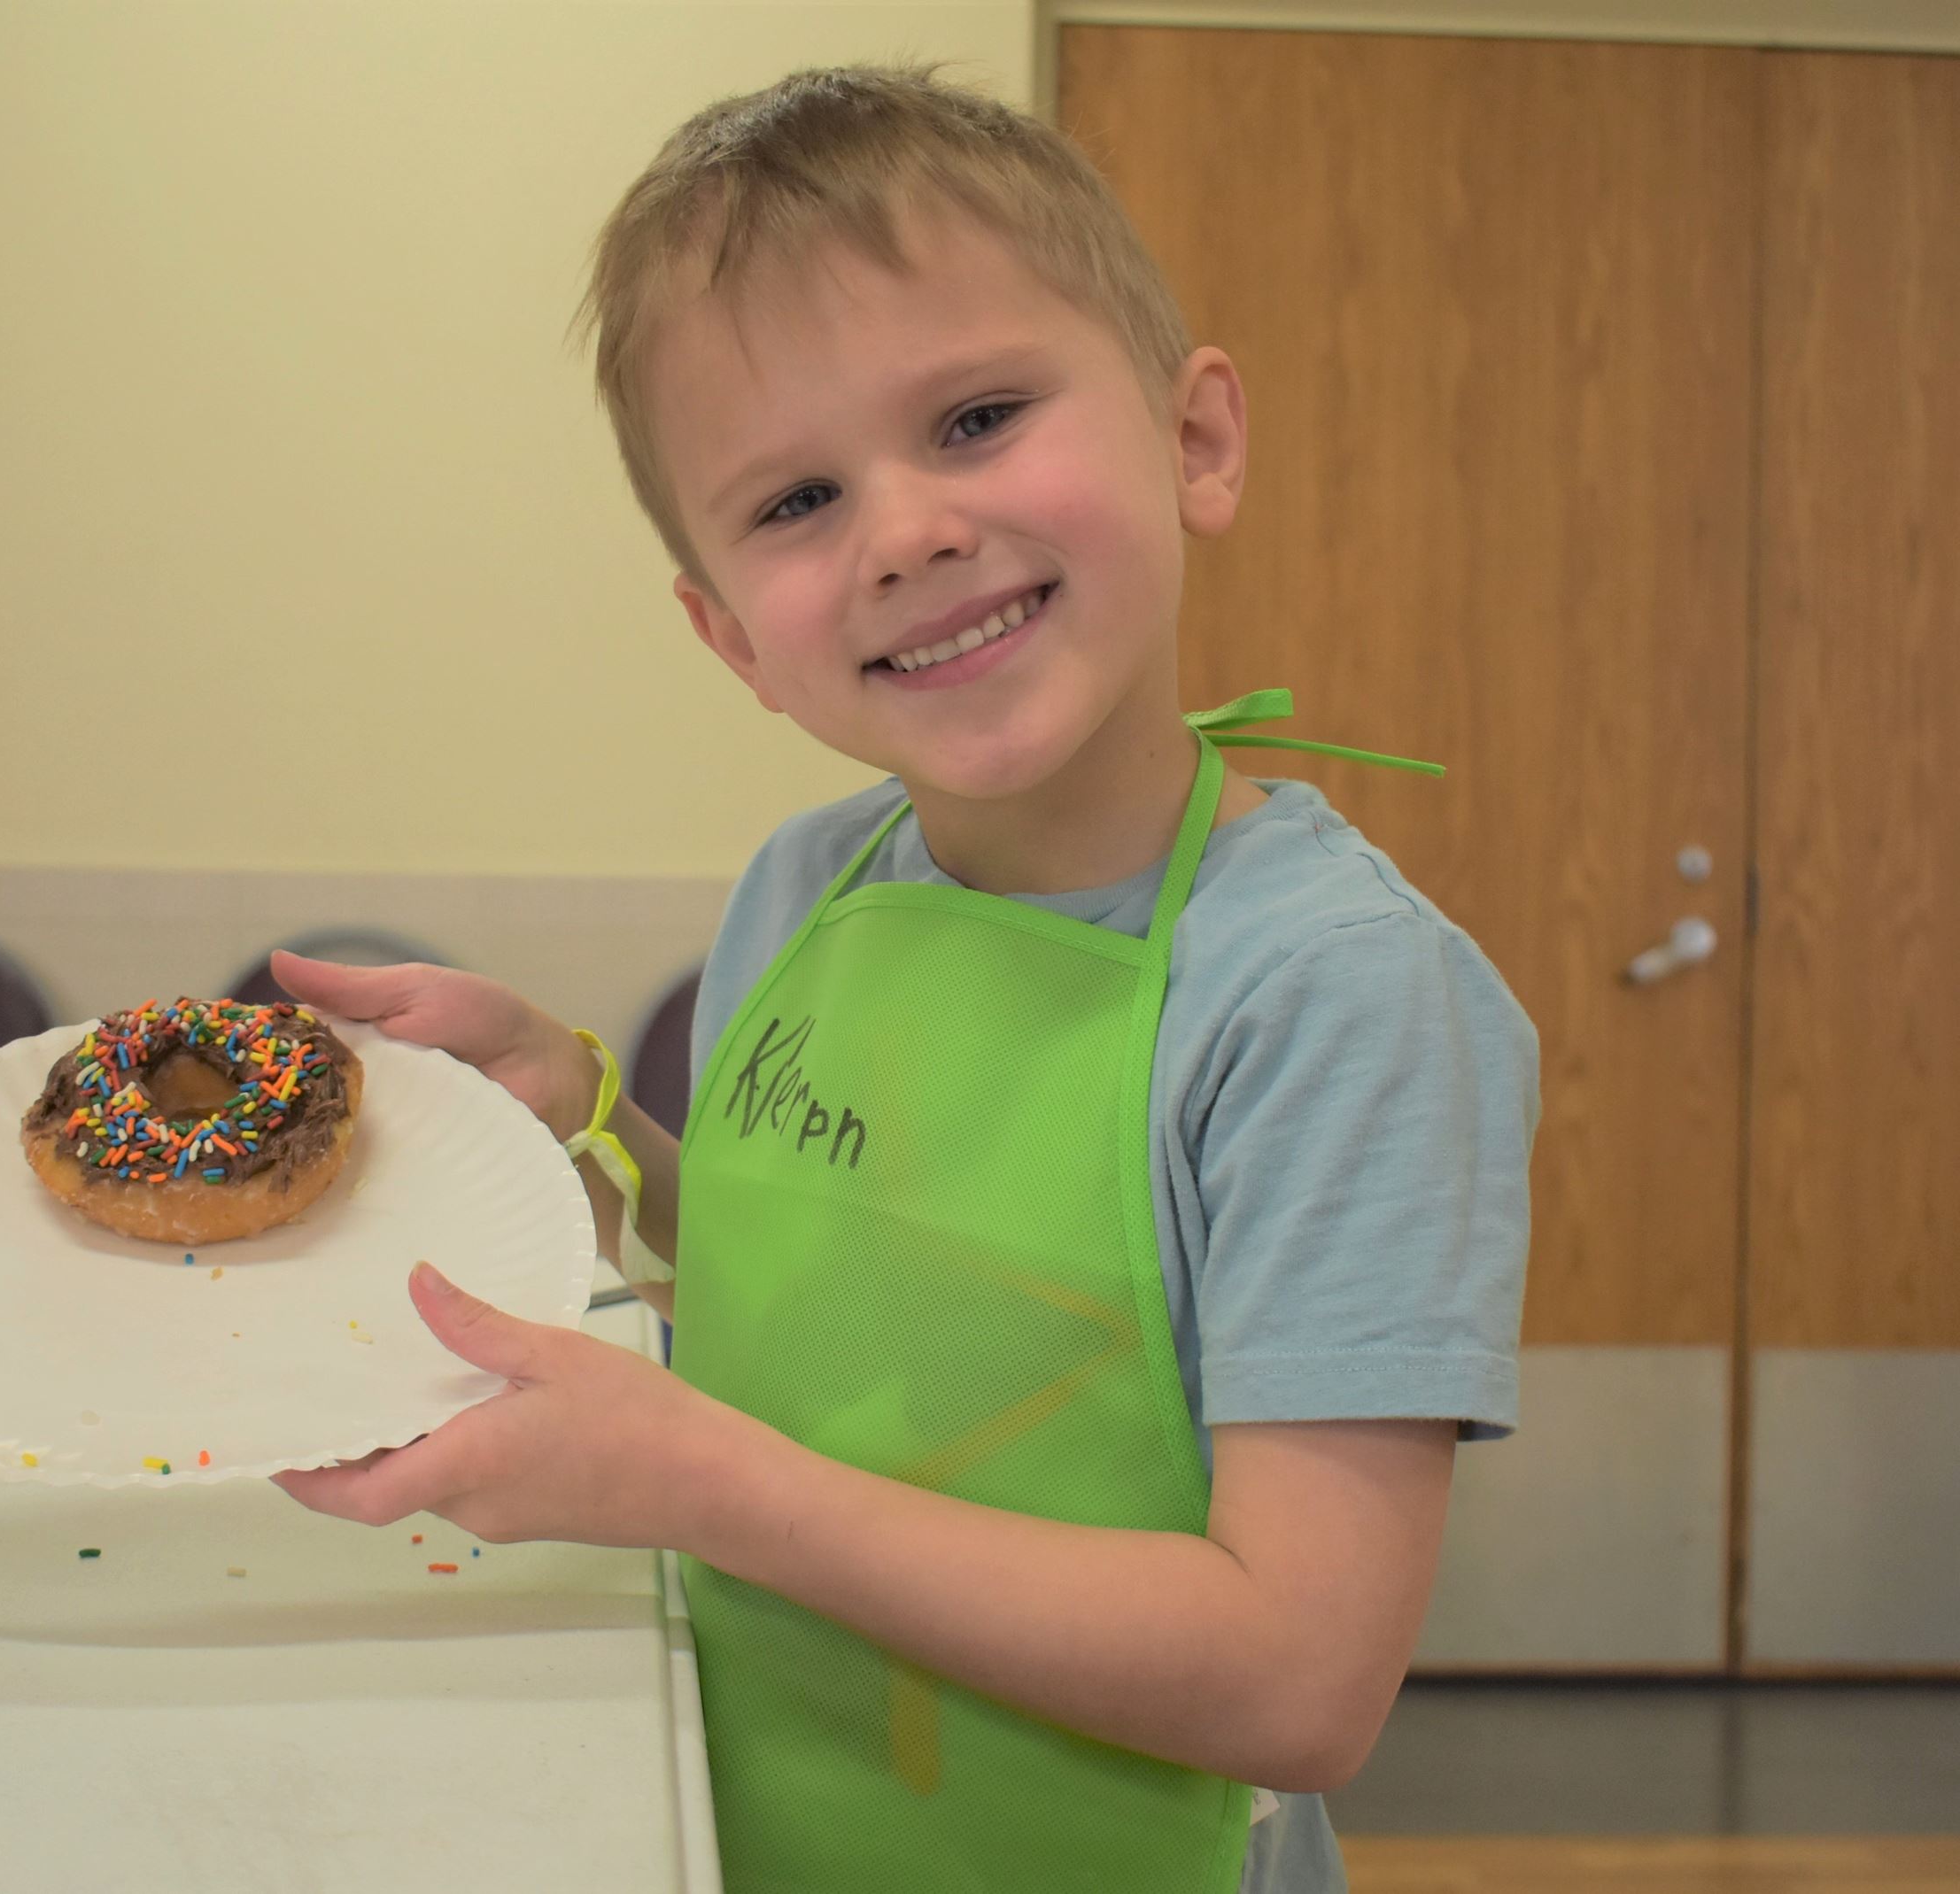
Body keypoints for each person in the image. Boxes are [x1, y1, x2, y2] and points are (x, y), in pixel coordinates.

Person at [269, 62, 1540, 1894]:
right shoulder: (812, 878)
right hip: (755, 1828)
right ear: (726, 636)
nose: (903, 529)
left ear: (1195, 443)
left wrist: (702, 1483)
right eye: (791, 497)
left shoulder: (1328, 997)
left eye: (978, 415)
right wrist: (586, 1111)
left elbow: (1298, 1674)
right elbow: (824, 1292)